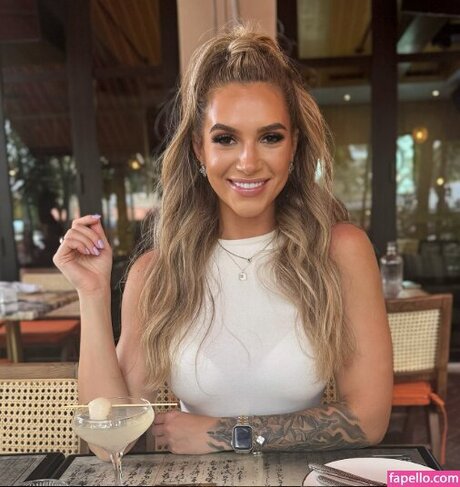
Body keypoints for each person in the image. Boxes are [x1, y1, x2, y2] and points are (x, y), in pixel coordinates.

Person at [53, 25, 393, 456]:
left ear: (293, 146)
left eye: (270, 137)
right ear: (199, 148)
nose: (248, 162)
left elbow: (369, 419)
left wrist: (228, 433)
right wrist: (92, 295)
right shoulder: (156, 273)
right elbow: (109, 445)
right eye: (226, 139)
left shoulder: (340, 251)